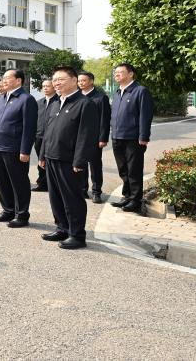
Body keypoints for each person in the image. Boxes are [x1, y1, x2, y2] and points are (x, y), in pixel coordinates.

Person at [39, 66, 100, 250]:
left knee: (72, 198)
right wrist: (42, 154)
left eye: (61, 79)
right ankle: (62, 228)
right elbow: (47, 132)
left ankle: (77, 235)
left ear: (74, 80)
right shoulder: (56, 103)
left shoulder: (84, 103)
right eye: (55, 79)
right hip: (51, 157)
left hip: (70, 161)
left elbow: (87, 135)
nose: (56, 83)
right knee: (55, 197)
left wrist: (80, 161)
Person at [0, 69, 37, 228]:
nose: (4, 81)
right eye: (3, 78)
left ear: (18, 81)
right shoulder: (0, 99)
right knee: (2, 182)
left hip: (15, 149)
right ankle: (8, 210)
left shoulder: (26, 99)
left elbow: (29, 127)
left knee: (19, 182)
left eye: (8, 78)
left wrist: (25, 150)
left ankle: (22, 215)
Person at [110, 63, 153, 213]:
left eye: (120, 72)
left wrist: (144, 136)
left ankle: (135, 200)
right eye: (116, 73)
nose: (117, 75)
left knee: (134, 170)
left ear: (130, 74)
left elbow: (145, 115)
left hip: (133, 138)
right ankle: (127, 197)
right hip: (117, 137)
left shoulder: (140, 91)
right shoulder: (116, 93)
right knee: (123, 169)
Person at [76, 71, 112, 204]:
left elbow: (105, 119)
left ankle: (97, 192)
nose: (81, 83)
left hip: (94, 138)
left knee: (95, 166)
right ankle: (83, 189)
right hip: (79, 138)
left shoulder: (100, 98)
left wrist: (103, 138)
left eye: (83, 80)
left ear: (91, 81)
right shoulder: (77, 97)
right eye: (79, 81)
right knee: (80, 164)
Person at [32, 78, 59, 192]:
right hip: (39, 137)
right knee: (41, 162)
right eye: (43, 86)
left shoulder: (58, 101)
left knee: (52, 162)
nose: (45, 88)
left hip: (52, 137)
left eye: (48, 86)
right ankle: (42, 184)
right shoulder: (39, 103)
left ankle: (54, 185)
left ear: (53, 87)